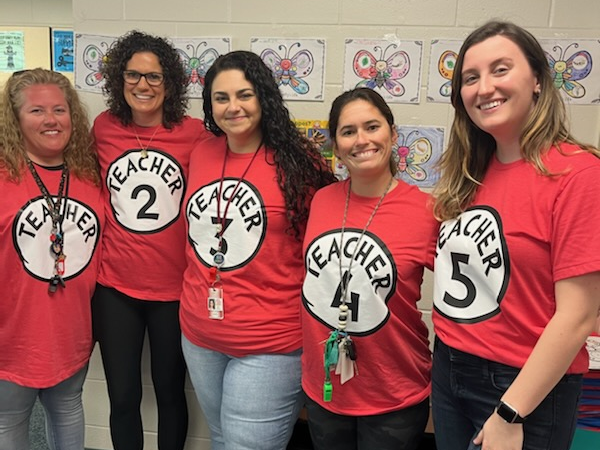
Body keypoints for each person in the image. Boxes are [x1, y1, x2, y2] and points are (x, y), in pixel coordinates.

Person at [431, 20, 600, 450]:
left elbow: (578, 316)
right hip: (449, 366)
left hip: (521, 386)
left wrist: (511, 410)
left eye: (500, 69)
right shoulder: (467, 174)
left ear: (538, 80)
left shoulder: (578, 174)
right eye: (471, 78)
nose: (484, 87)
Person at [180, 50, 336, 450]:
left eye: (244, 95)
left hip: (270, 342)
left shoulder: (299, 161)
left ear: (263, 98)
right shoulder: (202, 153)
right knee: (219, 437)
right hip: (200, 332)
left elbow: (322, 251)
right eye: (221, 98)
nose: (233, 107)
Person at [300, 87, 439, 450]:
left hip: (394, 389)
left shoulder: (425, 210)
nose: (361, 140)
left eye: (372, 127)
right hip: (325, 387)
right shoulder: (322, 201)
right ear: (336, 145)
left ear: (393, 135)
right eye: (348, 132)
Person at [91, 31, 206, 450]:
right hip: (114, 287)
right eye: (134, 75)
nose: (143, 85)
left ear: (170, 83)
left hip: (175, 290)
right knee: (123, 396)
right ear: (119, 81)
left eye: (155, 77)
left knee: (171, 393)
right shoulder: (103, 127)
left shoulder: (194, 133)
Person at [0, 68, 103, 449]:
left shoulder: (88, 175)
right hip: (12, 336)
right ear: (15, 119)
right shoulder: (3, 175)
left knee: (68, 410)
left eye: (59, 110)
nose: (50, 120)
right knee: (9, 420)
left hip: (71, 331)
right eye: (36, 111)